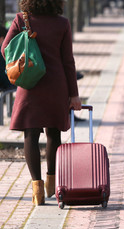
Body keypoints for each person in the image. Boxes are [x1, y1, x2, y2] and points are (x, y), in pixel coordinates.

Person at [1, 0, 82, 205]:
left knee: (31, 134)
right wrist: (74, 95)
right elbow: (68, 61)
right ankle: (51, 183)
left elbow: (5, 49)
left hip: (30, 83)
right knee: (53, 134)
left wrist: (23, 58)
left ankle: (36, 189)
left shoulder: (22, 19)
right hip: (56, 85)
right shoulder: (62, 23)